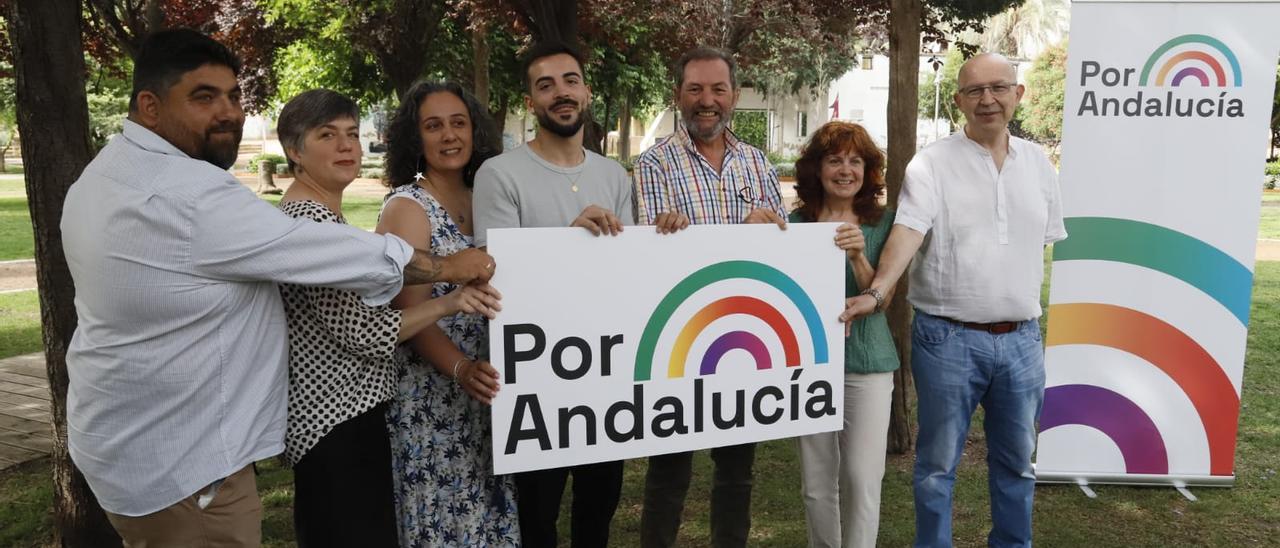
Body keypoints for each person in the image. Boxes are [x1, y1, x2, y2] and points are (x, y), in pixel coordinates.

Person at [59, 29, 494, 546]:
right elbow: (337, 277)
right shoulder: (190, 196)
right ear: (149, 107)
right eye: (203, 97)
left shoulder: (105, 175)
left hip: (143, 445)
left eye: (232, 96)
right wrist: (447, 271)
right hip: (192, 463)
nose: (228, 112)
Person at [841, 53, 1067, 548]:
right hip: (947, 340)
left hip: (1023, 342)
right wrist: (877, 292)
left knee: (1017, 465)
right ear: (959, 100)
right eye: (974, 91)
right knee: (936, 468)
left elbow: (1036, 244)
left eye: (999, 87)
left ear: (1018, 94)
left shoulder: (1040, 166)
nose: (987, 99)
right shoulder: (932, 164)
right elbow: (906, 234)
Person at [273, 89, 502, 546]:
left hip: (353, 421)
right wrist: (450, 301)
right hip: (332, 425)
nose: (346, 146)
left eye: (352, 134)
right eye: (327, 135)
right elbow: (367, 329)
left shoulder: (324, 219)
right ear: (295, 152)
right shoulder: (308, 223)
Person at [472, 41, 635, 548]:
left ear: (586, 91)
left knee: (597, 514)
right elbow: (492, 271)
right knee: (536, 519)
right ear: (530, 102)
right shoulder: (498, 174)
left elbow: (628, 270)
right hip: (537, 375)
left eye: (569, 81)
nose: (560, 93)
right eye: (545, 85)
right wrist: (569, 238)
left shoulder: (613, 175)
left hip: (604, 373)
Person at [632, 45, 786, 547]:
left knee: (737, 474)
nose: (707, 100)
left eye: (718, 89)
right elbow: (653, 258)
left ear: (734, 96)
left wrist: (767, 231)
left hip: (742, 339)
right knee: (668, 476)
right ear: (678, 95)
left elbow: (775, 252)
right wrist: (735, 230)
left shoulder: (757, 163)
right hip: (678, 341)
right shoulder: (653, 165)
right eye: (695, 89)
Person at [376, 81, 521, 546]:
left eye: (458, 123)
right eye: (433, 126)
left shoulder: (489, 194)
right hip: (434, 399)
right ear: (415, 140)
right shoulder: (407, 207)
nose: (449, 136)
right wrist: (460, 368)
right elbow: (407, 320)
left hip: (490, 389)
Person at [789, 121, 898, 548]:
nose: (845, 169)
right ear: (817, 169)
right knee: (817, 483)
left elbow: (883, 299)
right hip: (810, 367)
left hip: (867, 366)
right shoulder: (795, 223)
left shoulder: (884, 223)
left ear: (868, 171)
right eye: (834, 160)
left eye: (855, 160)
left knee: (861, 477)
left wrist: (857, 256)